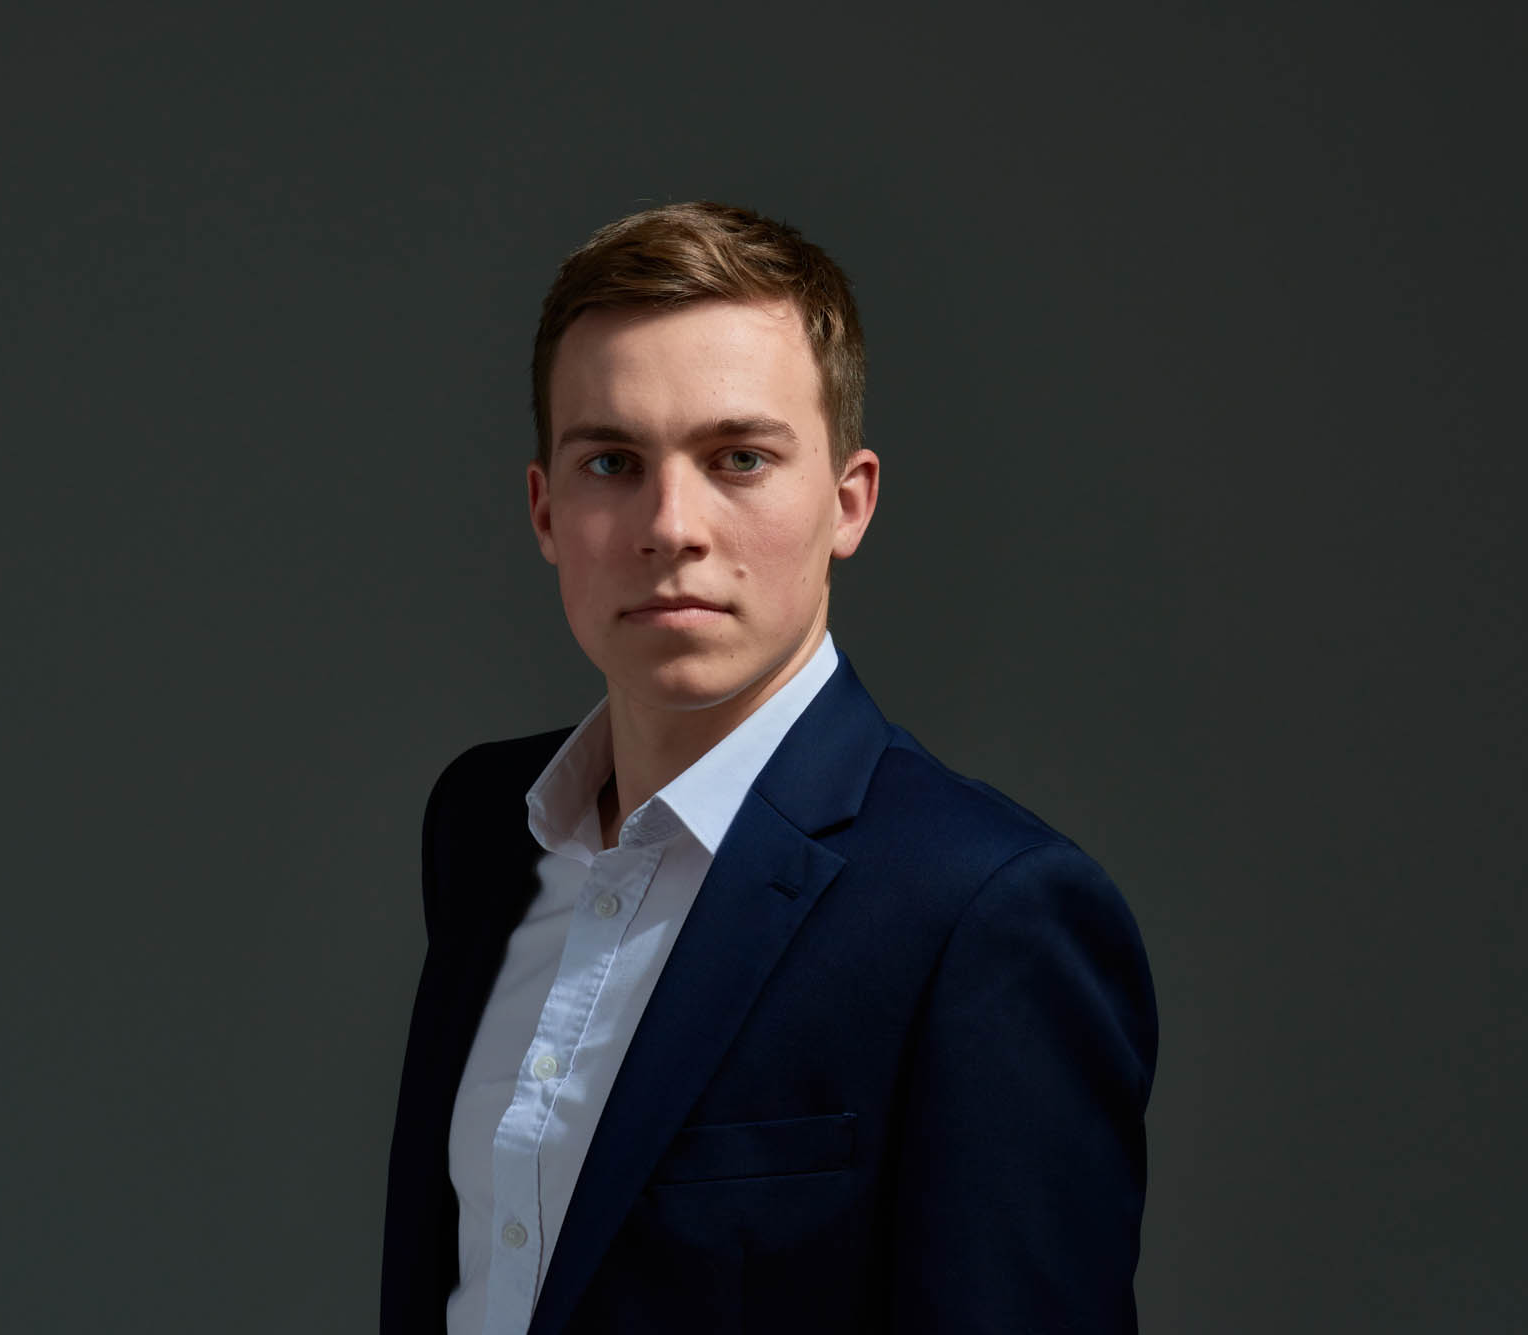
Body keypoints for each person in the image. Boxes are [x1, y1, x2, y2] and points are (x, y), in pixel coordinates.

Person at [381, 201, 1157, 1335]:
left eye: (738, 458)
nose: (671, 526)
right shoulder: (483, 827)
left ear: (848, 503)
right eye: (612, 461)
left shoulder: (984, 914)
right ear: (545, 510)